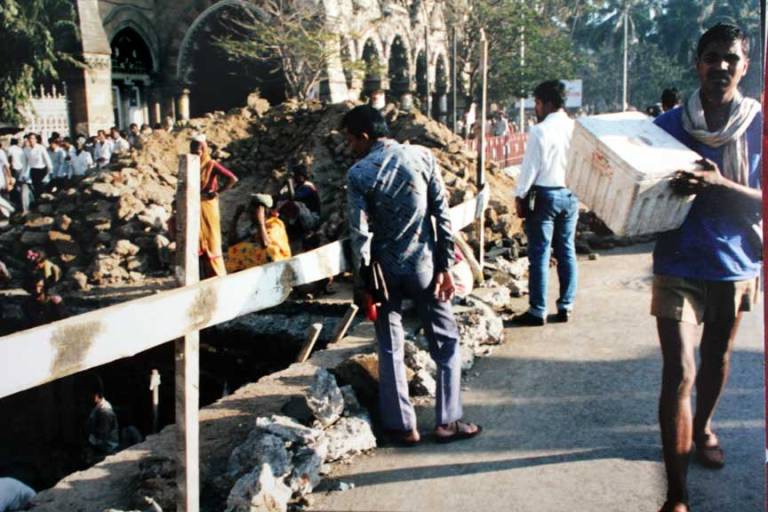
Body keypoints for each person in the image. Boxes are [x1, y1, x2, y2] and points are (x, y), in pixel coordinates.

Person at [651, 23, 762, 512]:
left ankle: (703, 428)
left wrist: (719, 186)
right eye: (712, 57)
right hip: (677, 260)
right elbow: (641, 188)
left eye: (731, 59)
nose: (721, 66)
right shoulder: (667, 125)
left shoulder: (759, 125)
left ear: (745, 66)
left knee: (716, 358)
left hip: (735, 261)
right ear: (697, 63)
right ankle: (676, 496)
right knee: (678, 372)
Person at [343, 104, 481, 444]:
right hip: (425, 266)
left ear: (364, 136)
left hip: (384, 271)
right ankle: (448, 421)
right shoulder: (422, 157)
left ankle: (403, 426)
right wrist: (445, 267)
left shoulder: (359, 174)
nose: (350, 148)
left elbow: (359, 235)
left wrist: (362, 283)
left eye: (350, 140)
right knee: (446, 342)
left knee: (390, 345)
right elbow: (441, 217)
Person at [512, 80, 578, 326]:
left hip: (544, 196)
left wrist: (519, 195)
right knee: (566, 251)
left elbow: (530, 168)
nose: (536, 108)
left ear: (547, 103)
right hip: (570, 194)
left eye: (537, 103)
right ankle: (566, 305)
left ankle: (537, 310)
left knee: (539, 255)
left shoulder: (540, 131)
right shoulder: (575, 128)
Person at [190, 135, 238, 278]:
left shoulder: (211, 164)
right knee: (196, 237)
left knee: (211, 237)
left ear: (204, 150)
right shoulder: (191, 164)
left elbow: (233, 179)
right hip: (194, 204)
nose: (196, 153)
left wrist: (217, 192)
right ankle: (201, 273)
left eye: (199, 150)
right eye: (194, 150)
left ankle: (216, 272)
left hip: (208, 205)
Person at [225, 193, 291, 273]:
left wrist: (260, 222)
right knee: (235, 250)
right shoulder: (254, 226)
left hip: (279, 263)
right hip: (264, 263)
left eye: (253, 212)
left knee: (269, 250)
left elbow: (266, 244)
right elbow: (232, 243)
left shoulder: (275, 224)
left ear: (264, 211)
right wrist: (236, 217)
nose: (251, 215)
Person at [85, 376, 119, 463]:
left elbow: (102, 435)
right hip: (100, 445)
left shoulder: (105, 412)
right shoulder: (98, 407)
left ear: (96, 396)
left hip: (107, 449)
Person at [24, 133, 52, 200]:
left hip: (42, 170)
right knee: (35, 188)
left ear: (36, 140)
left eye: (33, 138)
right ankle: (37, 202)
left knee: (41, 188)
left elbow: (47, 160)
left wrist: (50, 171)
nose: (31, 140)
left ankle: (44, 201)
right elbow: (26, 163)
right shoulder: (26, 149)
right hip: (33, 170)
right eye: (30, 138)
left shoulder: (41, 148)